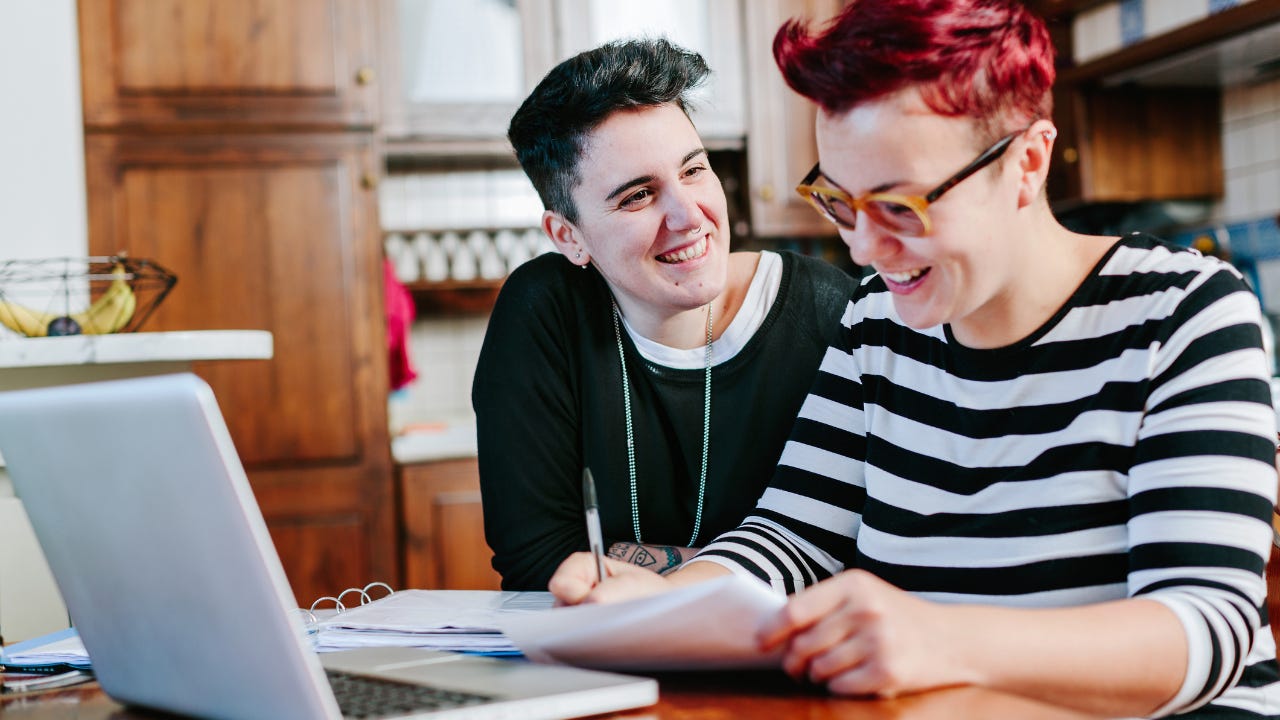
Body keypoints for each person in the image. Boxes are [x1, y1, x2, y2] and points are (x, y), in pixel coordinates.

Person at [547, 2, 1280, 718]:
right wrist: (663, 598)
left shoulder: (1184, 313)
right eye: (841, 201)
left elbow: (1203, 628)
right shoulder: (878, 325)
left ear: (1027, 162)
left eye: (901, 208)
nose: (863, 249)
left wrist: (941, 637)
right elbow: (794, 536)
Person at [473, 38, 859, 591]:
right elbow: (537, 559)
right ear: (570, 236)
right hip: (602, 659)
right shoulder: (544, 313)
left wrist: (625, 564)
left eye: (694, 170)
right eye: (637, 196)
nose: (687, 215)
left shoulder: (829, 314)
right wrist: (726, 572)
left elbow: (849, 549)